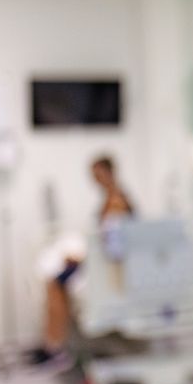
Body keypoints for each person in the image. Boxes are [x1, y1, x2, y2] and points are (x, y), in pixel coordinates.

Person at [28, 156, 134, 366]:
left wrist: (82, 258)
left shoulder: (117, 203)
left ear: (109, 172)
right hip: (101, 263)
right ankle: (52, 344)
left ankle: (54, 348)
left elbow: (114, 247)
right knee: (56, 279)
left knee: (57, 282)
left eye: (97, 174)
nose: (94, 179)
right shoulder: (111, 199)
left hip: (108, 269)